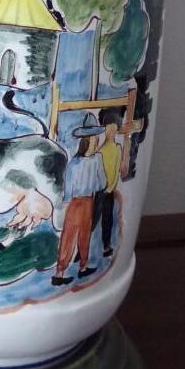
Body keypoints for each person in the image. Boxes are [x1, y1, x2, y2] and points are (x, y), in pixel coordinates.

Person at [52, 114, 106, 286]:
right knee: (70, 236)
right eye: (93, 138)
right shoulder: (79, 162)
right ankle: (60, 272)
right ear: (86, 141)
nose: (96, 141)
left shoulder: (84, 162)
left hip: (85, 202)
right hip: (78, 202)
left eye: (96, 138)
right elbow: (100, 183)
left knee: (84, 235)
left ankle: (82, 267)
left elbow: (101, 183)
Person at [93, 114, 123, 257]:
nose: (111, 131)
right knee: (94, 219)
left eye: (114, 128)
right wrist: (102, 187)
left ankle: (106, 246)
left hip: (109, 190)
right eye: (109, 128)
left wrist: (111, 186)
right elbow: (97, 173)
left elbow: (116, 170)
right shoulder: (99, 151)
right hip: (100, 190)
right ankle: (84, 250)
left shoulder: (117, 148)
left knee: (107, 219)